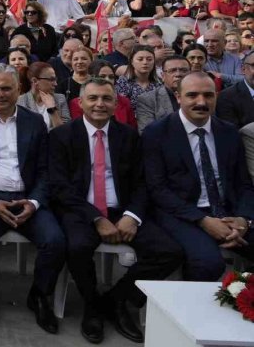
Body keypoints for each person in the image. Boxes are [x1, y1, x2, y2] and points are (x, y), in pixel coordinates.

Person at [49, 79, 183, 344]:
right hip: (82, 210)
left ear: (115, 104)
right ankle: (91, 304)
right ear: (80, 103)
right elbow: (59, 186)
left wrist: (131, 216)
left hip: (123, 210)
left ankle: (117, 299)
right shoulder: (61, 136)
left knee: (169, 251)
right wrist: (96, 218)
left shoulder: (129, 136)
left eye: (106, 99)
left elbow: (144, 182)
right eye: (93, 98)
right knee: (76, 247)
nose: (100, 104)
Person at [0, 64, 66, 334]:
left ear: (19, 89)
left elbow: (45, 170)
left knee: (55, 241)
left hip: (28, 197)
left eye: (6, 88)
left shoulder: (35, 122)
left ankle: (39, 295)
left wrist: (35, 202)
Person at [142, 72, 254, 281]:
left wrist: (243, 219)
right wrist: (203, 221)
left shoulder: (228, 132)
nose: (201, 102)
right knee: (208, 263)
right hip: (182, 214)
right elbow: (158, 189)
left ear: (216, 96)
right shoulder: (156, 133)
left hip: (228, 213)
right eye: (192, 95)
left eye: (208, 95)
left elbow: (244, 184)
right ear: (178, 97)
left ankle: (244, 297)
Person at [136, 55, 189, 132]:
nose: (178, 74)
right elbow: (146, 132)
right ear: (163, 76)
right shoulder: (148, 100)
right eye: (172, 71)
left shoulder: (202, 96)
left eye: (183, 70)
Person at [17, 62, 69, 130]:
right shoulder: (20, 102)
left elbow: (66, 131)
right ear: (35, 81)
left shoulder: (60, 99)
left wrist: (52, 110)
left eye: (55, 79)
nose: (56, 84)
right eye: (51, 80)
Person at [116, 46, 160, 113]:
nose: (145, 62)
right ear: (132, 62)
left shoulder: (159, 83)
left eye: (149, 59)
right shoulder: (123, 82)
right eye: (140, 59)